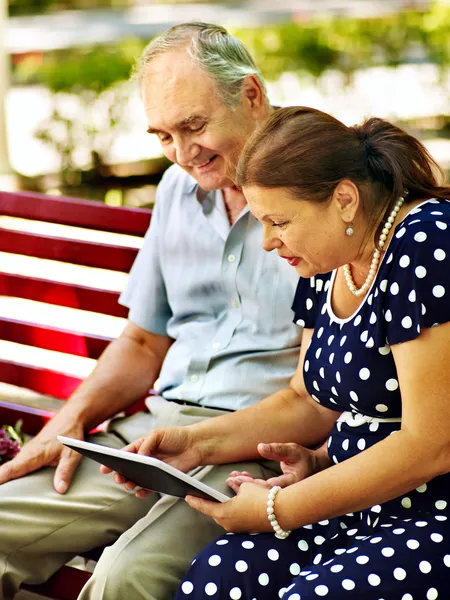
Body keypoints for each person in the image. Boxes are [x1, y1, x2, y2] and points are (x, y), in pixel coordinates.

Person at [0, 24, 308, 600]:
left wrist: (199, 444)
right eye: (163, 134)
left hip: (260, 448)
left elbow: (314, 399)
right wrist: (67, 423)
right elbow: (144, 342)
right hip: (153, 436)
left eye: (194, 125)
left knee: (128, 577)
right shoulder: (175, 188)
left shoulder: (317, 189)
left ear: (251, 94)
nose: (183, 153)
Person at [115, 106, 450, 599]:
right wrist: (196, 445)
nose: (269, 241)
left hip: (431, 515)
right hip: (359, 505)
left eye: (279, 221)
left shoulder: (425, 244)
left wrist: (279, 511)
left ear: (344, 200)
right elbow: (307, 400)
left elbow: (430, 444)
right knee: (218, 577)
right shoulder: (327, 264)